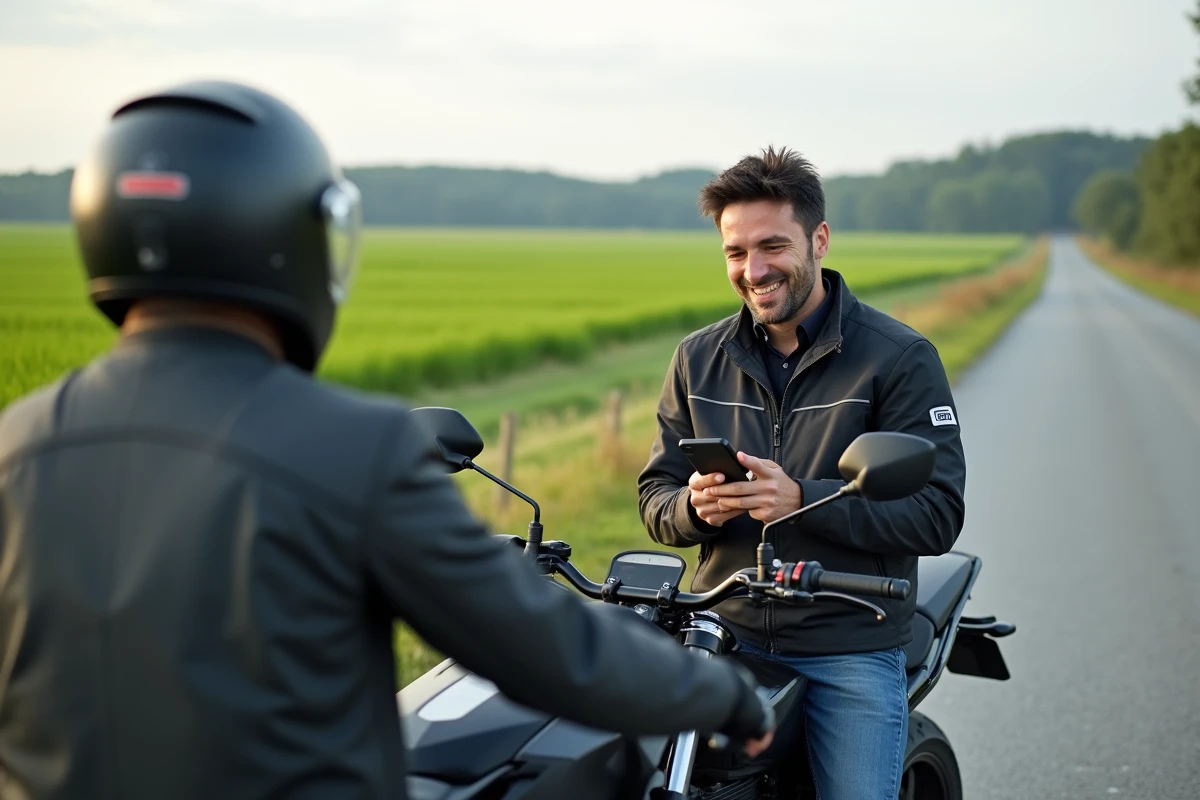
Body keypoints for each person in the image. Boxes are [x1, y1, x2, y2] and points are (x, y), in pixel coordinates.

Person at [0, 80, 773, 800]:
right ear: (294, 239)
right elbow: (540, 646)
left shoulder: (16, 446)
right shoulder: (350, 447)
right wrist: (723, 695)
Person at [637, 146, 967, 799]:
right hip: (720, 634)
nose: (753, 270)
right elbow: (656, 498)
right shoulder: (698, 358)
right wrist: (697, 508)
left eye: (772, 246)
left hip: (847, 642)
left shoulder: (898, 358)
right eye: (735, 253)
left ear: (819, 239)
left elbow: (937, 514)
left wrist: (800, 500)